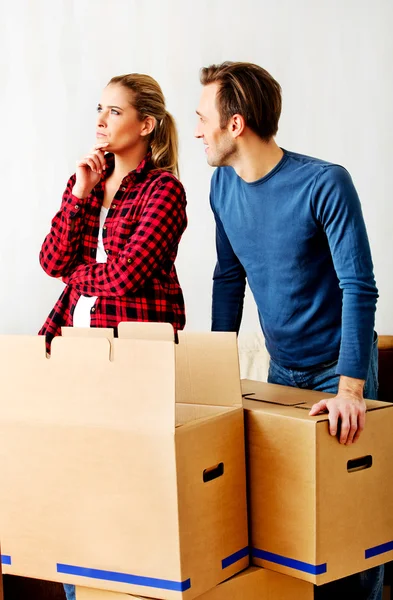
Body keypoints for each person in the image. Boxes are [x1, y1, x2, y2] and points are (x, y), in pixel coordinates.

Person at [195, 61, 382, 600]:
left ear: (236, 124)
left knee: (351, 522)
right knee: (291, 517)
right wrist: (214, 372)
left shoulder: (325, 182)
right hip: (282, 369)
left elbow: (359, 287)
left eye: (203, 117)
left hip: (338, 368)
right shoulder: (221, 187)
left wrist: (351, 389)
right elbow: (228, 281)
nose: (199, 128)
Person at [39, 74, 187, 600]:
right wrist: (80, 195)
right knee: (78, 484)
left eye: (115, 112)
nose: (101, 121)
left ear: (146, 124)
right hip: (72, 348)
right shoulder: (84, 180)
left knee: (128, 488)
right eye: (98, 109)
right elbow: (51, 259)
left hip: (133, 356)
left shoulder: (164, 190)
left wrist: (77, 274)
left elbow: (127, 276)